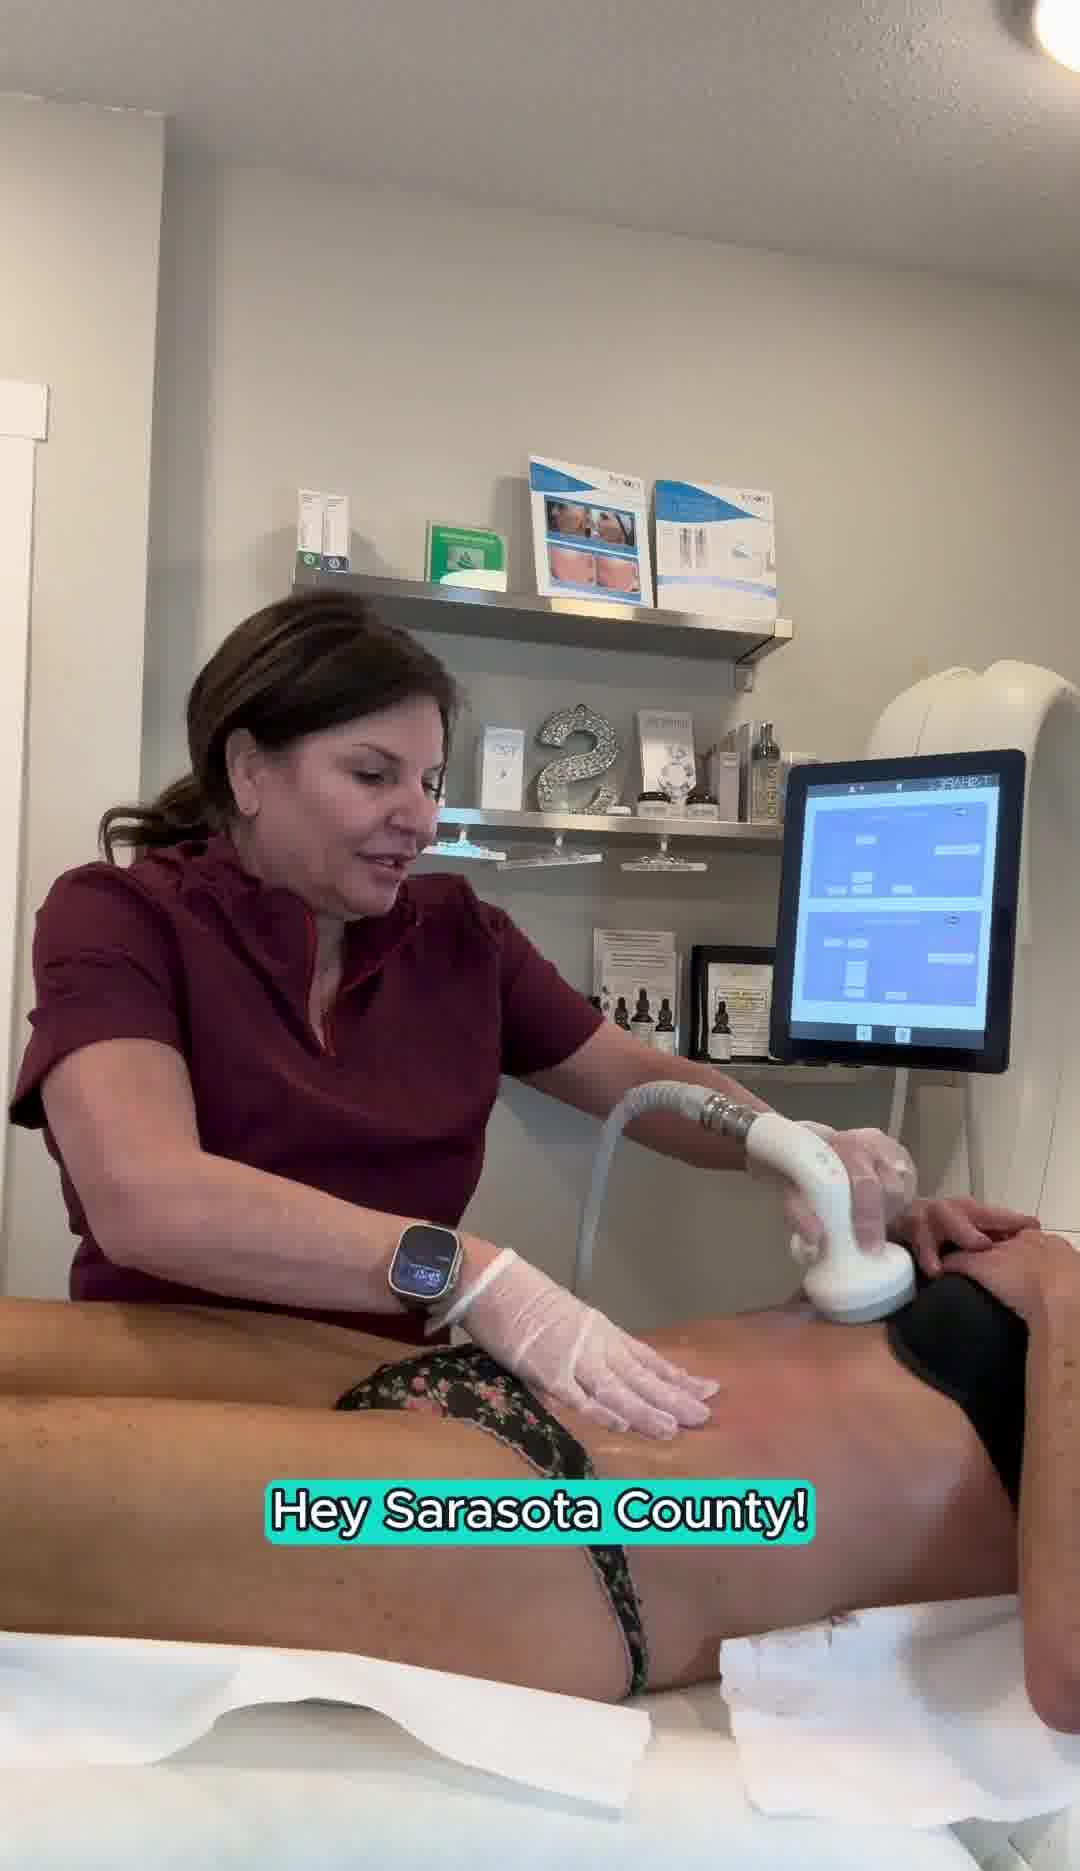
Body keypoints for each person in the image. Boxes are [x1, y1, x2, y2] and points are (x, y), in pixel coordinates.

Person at [8, 589, 920, 1443]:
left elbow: (642, 1084)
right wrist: (467, 1274)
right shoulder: (118, 918)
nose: (421, 819)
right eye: (374, 775)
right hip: (168, 1403)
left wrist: (801, 1152)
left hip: (381, 1406)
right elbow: (147, 1200)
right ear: (249, 770)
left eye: (431, 781)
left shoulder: (460, 938)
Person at [7, 1195, 1076, 1732]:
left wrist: (1060, 1298)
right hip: (505, 1382)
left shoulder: (1066, 1294)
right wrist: (906, 1242)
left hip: (581, 1526)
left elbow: (1067, 1676)